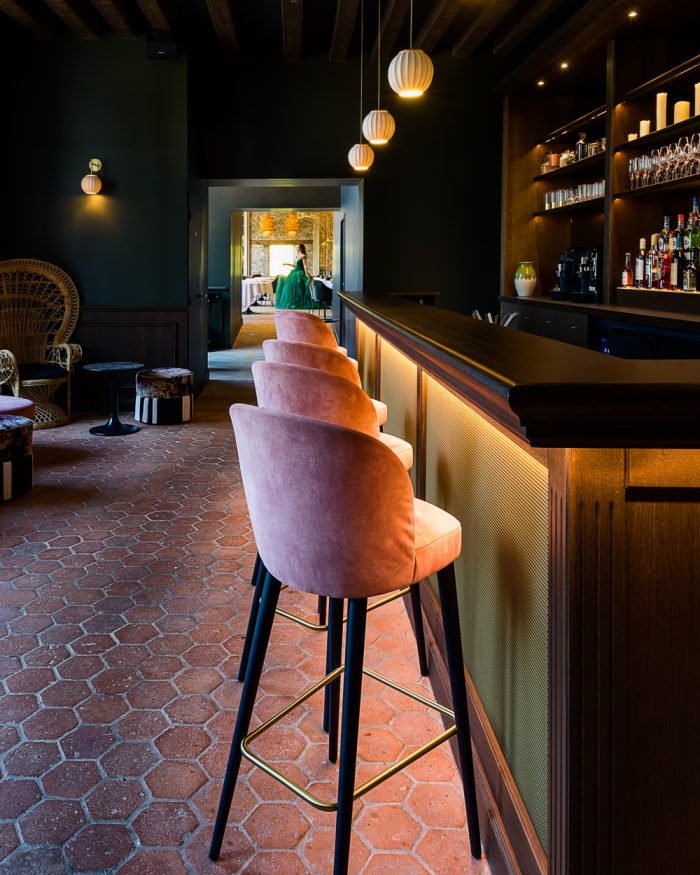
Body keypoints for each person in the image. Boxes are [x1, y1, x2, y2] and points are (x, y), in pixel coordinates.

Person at [275, 244, 312, 310]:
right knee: (291, 287)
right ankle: (293, 301)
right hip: (294, 272)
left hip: (300, 273)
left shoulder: (303, 256)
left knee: (299, 287)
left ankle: (299, 301)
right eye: (296, 247)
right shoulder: (297, 255)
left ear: (301, 248)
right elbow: (295, 265)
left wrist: (306, 274)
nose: (296, 248)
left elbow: (305, 266)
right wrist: (287, 264)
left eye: (297, 247)